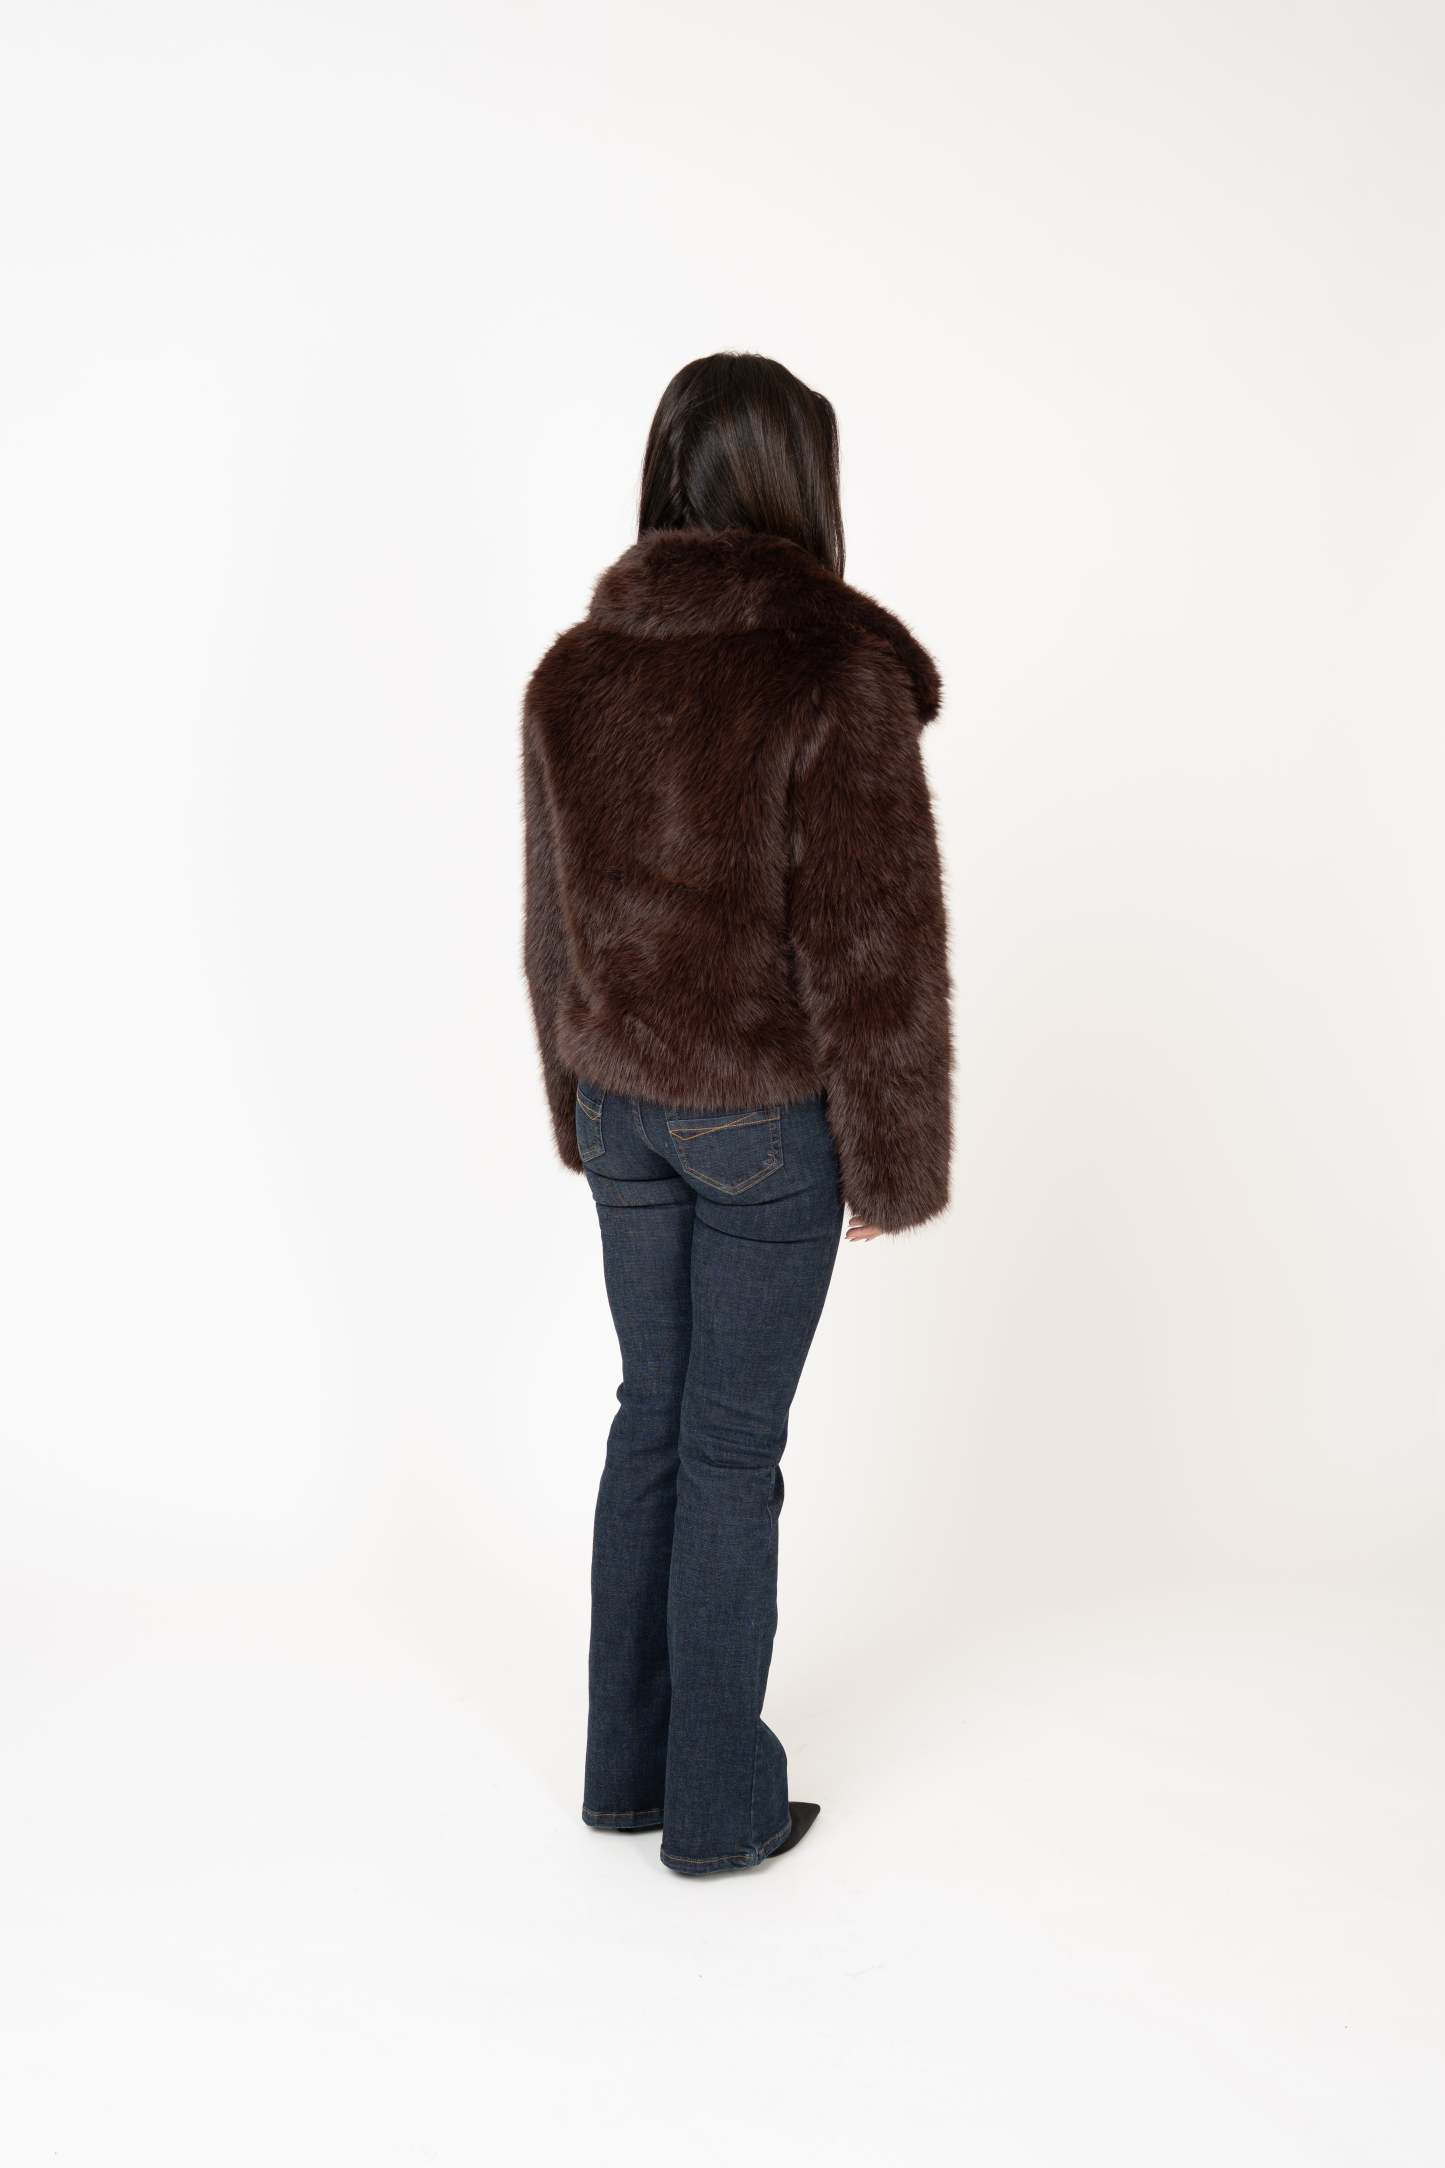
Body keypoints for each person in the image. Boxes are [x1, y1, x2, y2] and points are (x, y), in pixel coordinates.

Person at [521, 351, 952, 1875]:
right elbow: (871, 936)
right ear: (795, 480)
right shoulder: (829, 670)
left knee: (648, 1421)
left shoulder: (575, 670)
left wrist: (578, 1107)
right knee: (725, 1451)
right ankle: (716, 1809)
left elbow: (553, 926)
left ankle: (624, 1773)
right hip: (760, 1121)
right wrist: (892, 1158)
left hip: (623, 1107)